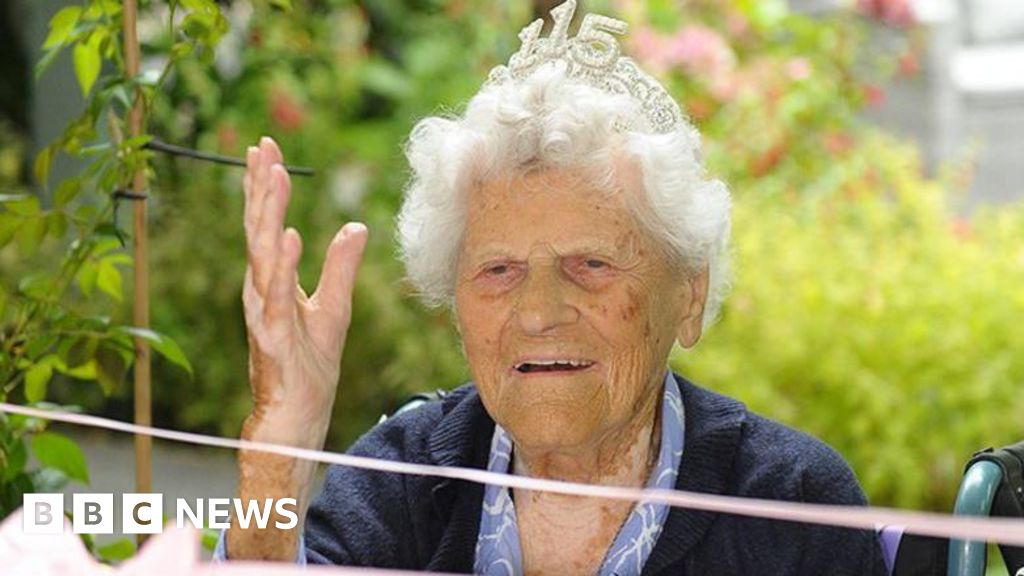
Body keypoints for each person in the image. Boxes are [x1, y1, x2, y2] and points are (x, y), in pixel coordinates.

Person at [219, 1, 887, 573]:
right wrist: (281, 441)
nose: (537, 312)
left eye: (591, 265)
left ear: (687, 293)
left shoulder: (792, 506)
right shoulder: (401, 483)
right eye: (498, 270)